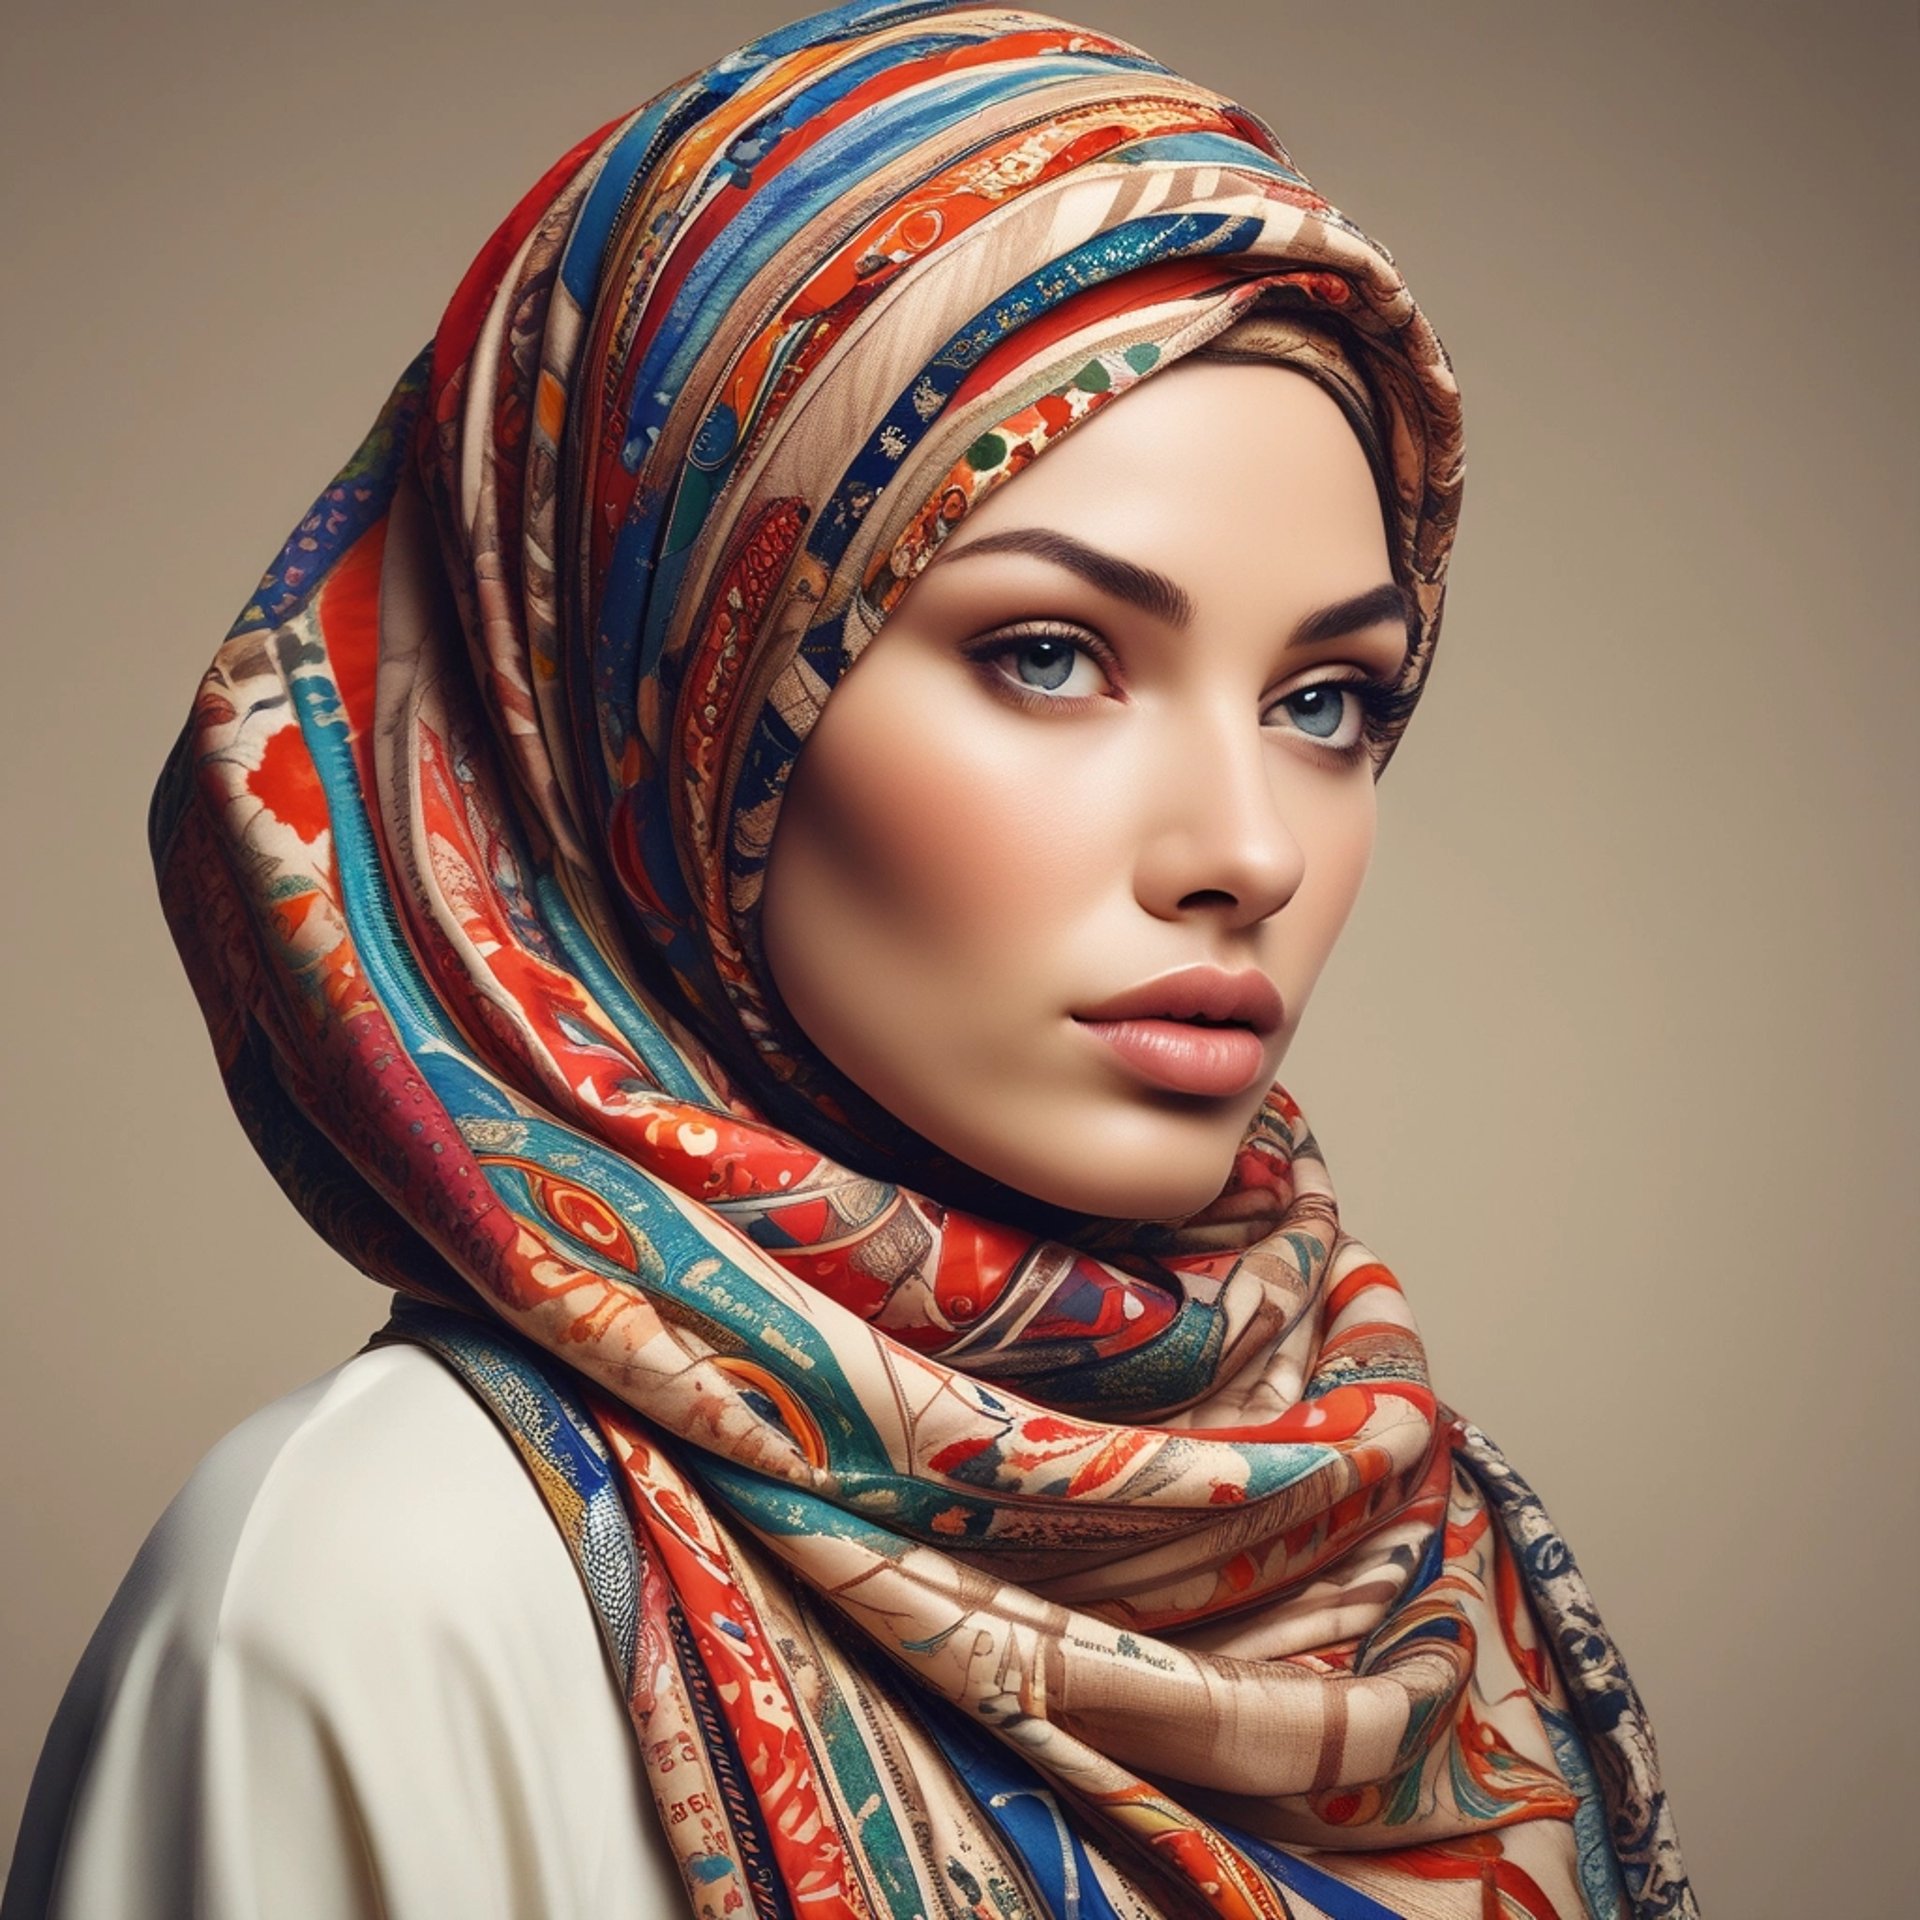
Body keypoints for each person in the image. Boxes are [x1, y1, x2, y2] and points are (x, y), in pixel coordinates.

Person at [4, 3, 1697, 1916]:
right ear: (673, 701)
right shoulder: (377, 1593)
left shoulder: (1409, 1546)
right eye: (1048, 654)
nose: (1246, 849)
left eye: (1327, 699)